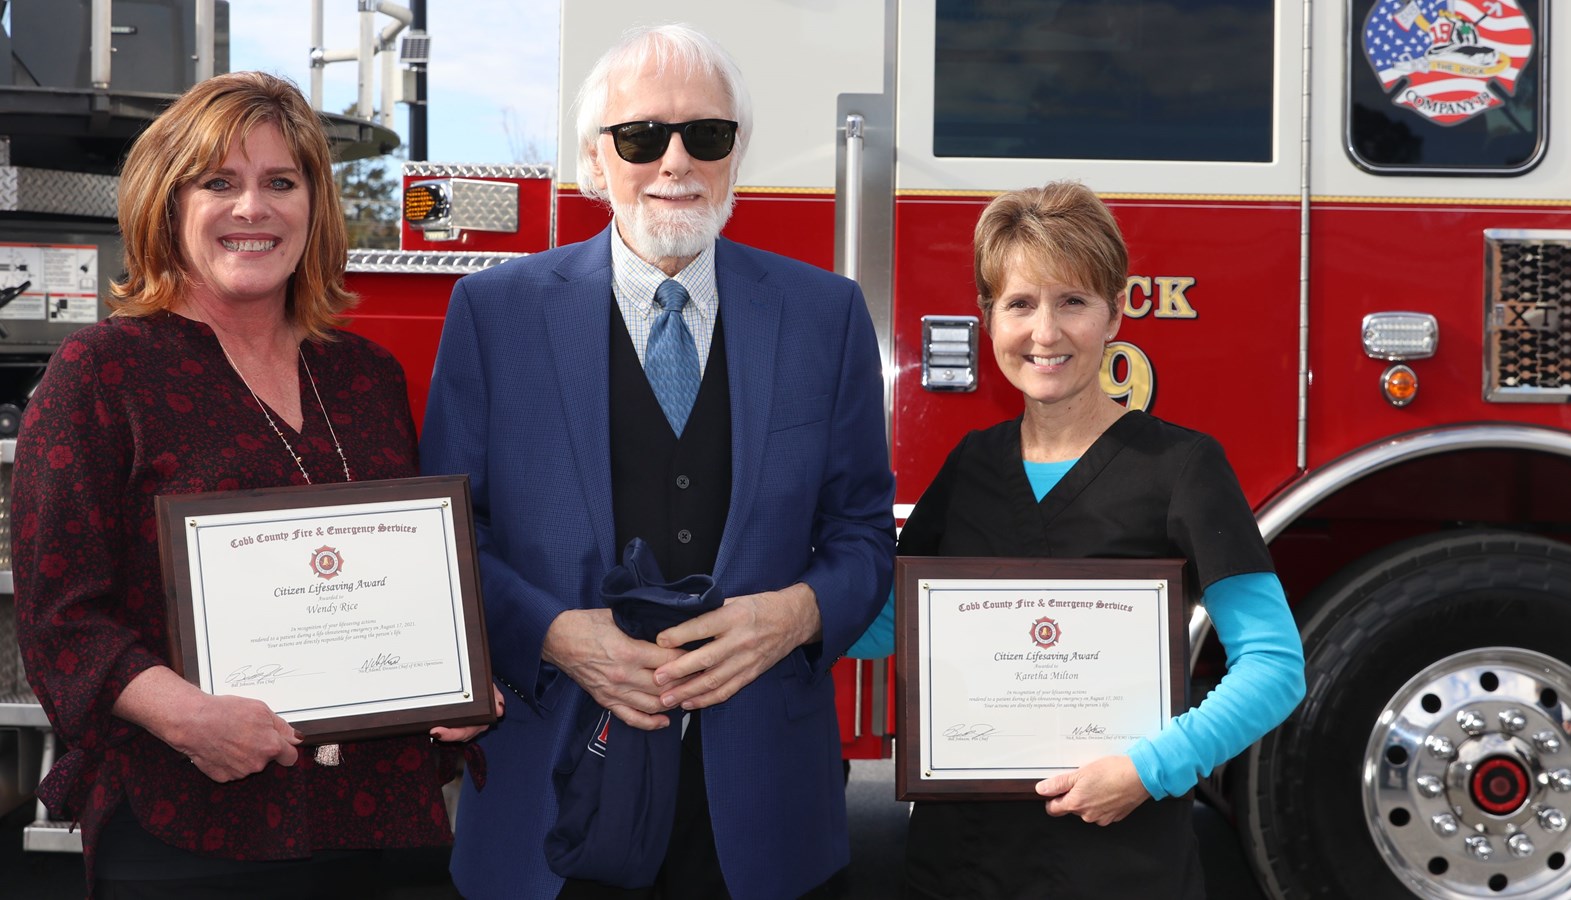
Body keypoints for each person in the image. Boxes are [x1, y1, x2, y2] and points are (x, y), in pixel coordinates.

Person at [419, 23, 896, 900]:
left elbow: (863, 531)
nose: (674, 161)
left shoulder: (824, 316)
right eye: (641, 136)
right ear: (594, 163)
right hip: (552, 795)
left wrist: (793, 616)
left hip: (760, 812)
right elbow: (451, 534)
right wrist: (555, 636)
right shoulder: (495, 314)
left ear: (736, 154)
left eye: (705, 135)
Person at [13, 71, 498, 898]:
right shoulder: (101, 373)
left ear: (314, 207)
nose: (253, 209)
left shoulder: (364, 376)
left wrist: (453, 673)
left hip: (384, 817)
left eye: (281, 182)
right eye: (219, 183)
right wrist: (187, 717)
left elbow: (411, 570)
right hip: (195, 824)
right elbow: (61, 617)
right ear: (168, 203)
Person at [847, 181, 1305, 899]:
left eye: (1073, 302)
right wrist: (780, 611)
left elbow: (1274, 665)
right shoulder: (971, 465)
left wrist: (1148, 770)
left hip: (1119, 863)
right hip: (962, 865)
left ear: (1115, 312)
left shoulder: (1183, 466)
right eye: (1020, 303)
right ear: (986, 317)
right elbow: (885, 627)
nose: (1046, 333)